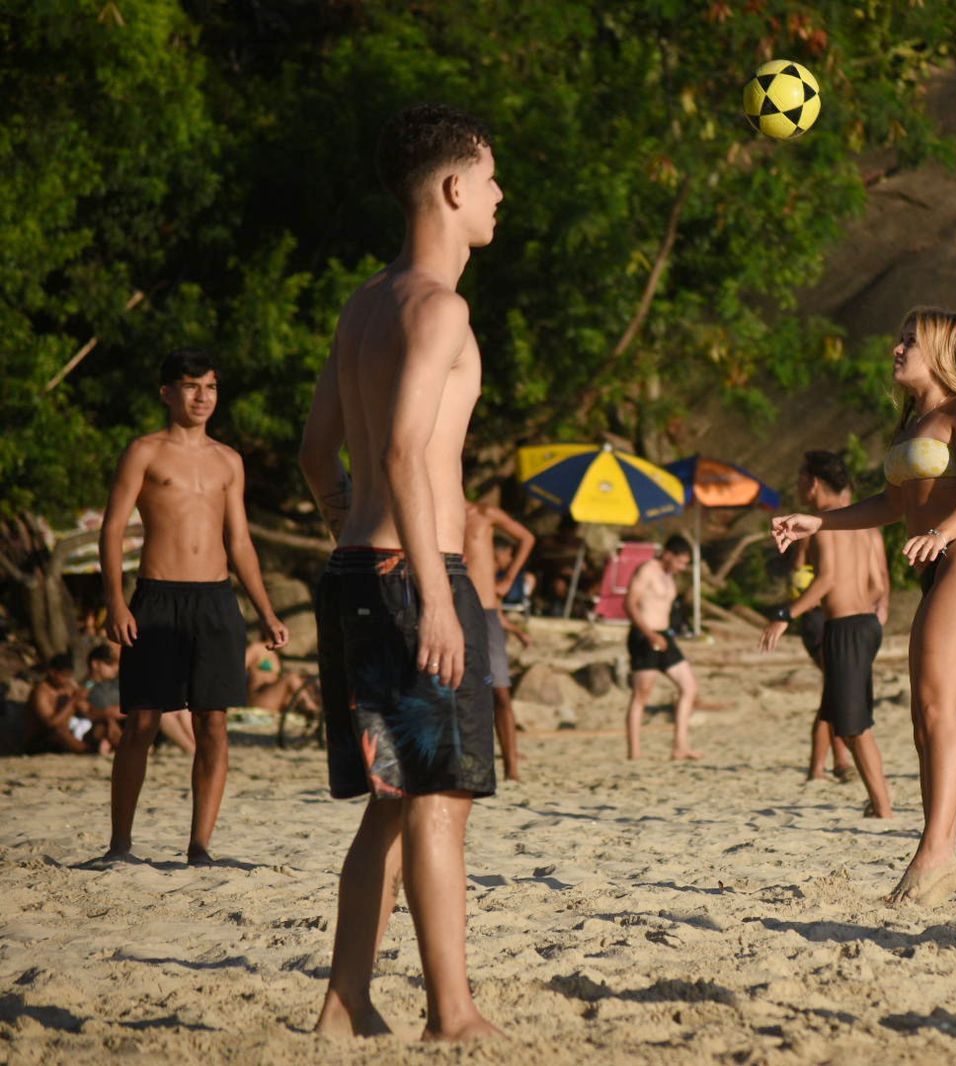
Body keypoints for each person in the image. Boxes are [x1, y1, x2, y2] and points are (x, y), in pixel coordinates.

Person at [298, 102, 503, 1041]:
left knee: (389, 804)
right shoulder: (439, 305)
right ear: (455, 189)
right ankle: (451, 1015)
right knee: (438, 801)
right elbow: (407, 455)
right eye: (492, 181)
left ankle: (345, 1002)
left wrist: (354, 538)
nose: (500, 198)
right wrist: (431, 593)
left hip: (354, 568)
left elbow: (315, 454)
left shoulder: (365, 303)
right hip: (414, 574)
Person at [772, 306, 956, 906]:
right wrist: (820, 521)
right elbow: (889, 507)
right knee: (926, 716)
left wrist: (942, 533)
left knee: (939, 707)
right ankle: (941, 852)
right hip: (948, 563)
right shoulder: (914, 424)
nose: (896, 349)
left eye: (909, 340)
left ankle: (935, 856)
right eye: (898, 338)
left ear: (939, 350)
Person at [99, 349, 290, 865]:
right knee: (141, 722)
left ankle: (200, 846)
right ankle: (120, 844)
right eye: (190, 386)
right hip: (157, 598)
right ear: (166, 392)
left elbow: (242, 540)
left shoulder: (229, 460)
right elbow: (113, 528)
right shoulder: (144, 451)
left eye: (210, 386)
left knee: (213, 722)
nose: (202, 397)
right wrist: (115, 601)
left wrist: (267, 612)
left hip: (215, 600)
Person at [760, 451, 893, 817]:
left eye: (801, 478)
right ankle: (878, 801)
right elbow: (880, 579)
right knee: (847, 717)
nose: (798, 486)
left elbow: (828, 578)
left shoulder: (827, 522)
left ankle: (883, 807)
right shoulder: (866, 524)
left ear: (814, 483)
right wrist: (881, 609)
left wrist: (785, 614)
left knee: (854, 727)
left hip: (845, 627)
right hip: (866, 625)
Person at [464, 498, 536, 781]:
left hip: (487, 609)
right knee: (460, 694)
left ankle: (512, 768)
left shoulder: (483, 513)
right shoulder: (434, 512)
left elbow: (527, 538)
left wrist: (508, 579)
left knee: (501, 692)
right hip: (453, 609)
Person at [623, 534, 700, 761]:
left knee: (689, 687)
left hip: (665, 635)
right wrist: (649, 634)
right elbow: (629, 604)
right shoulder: (647, 570)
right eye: (680, 562)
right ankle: (635, 752)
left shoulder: (668, 576)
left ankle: (680, 746)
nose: (682, 567)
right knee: (641, 695)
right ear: (668, 554)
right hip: (644, 635)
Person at [23, 654, 100, 755]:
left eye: (69, 676)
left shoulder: (68, 686)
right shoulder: (41, 692)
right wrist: (72, 702)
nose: (67, 679)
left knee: (102, 724)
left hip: (69, 732)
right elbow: (51, 724)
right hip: (42, 740)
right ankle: (87, 752)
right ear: (52, 673)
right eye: (64, 676)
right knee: (60, 731)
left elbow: (84, 704)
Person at [245, 640, 319, 715]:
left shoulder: (276, 655)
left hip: (275, 701)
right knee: (290, 678)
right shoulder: (256, 648)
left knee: (304, 683)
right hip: (258, 700)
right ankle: (311, 709)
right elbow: (238, 668)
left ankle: (314, 711)